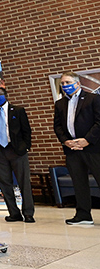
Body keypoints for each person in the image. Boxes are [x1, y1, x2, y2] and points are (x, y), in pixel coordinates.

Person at [53, 71, 100, 225]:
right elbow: (58, 126)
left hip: (93, 148)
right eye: (63, 83)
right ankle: (83, 215)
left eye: (68, 82)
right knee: (79, 183)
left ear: (78, 83)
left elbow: (99, 123)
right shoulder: (60, 104)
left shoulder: (93, 99)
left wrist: (87, 140)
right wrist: (66, 141)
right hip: (72, 149)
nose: (65, 86)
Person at [0, 87, 35, 222]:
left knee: (24, 182)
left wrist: (25, 147)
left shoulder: (18, 110)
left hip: (17, 150)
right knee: (4, 184)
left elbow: (27, 131)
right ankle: (14, 213)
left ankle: (28, 213)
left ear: (6, 95)